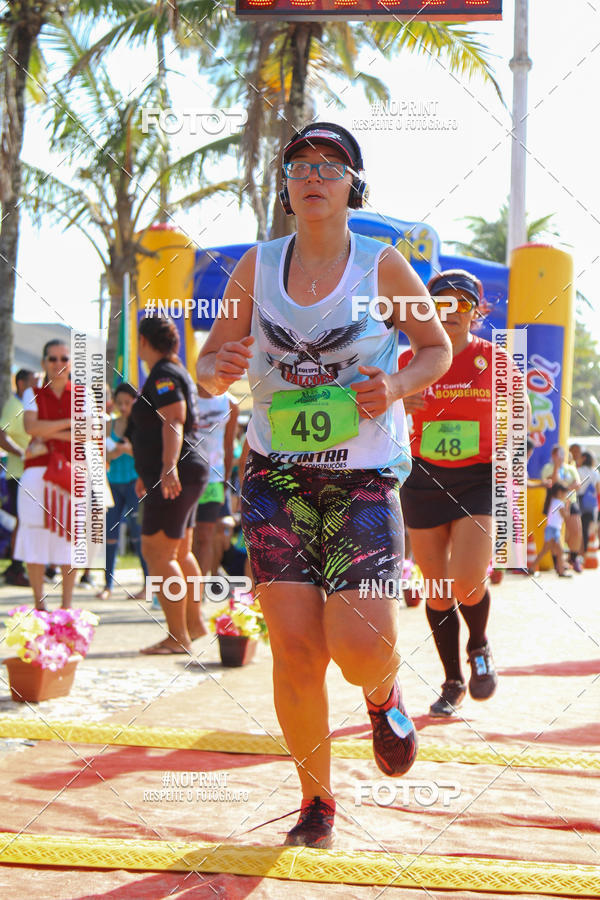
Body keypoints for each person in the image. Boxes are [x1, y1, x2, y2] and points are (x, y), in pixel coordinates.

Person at [197, 122, 452, 847]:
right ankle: (316, 801)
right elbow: (211, 361)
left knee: (359, 644)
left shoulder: (382, 266)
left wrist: (395, 384)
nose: (315, 176)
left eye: (331, 167)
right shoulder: (256, 265)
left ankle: (382, 694)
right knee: (298, 648)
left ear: (352, 187)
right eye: (301, 165)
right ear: (285, 185)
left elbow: (435, 347)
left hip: (363, 476)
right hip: (276, 475)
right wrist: (216, 368)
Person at [399, 269, 527, 718]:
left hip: (478, 479)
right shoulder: (406, 361)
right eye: (441, 303)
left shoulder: (494, 358)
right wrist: (398, 404)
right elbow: (374, 418)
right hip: (423, 477)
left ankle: (479, 644)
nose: (451, 312)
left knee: (468, 579)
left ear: (477, 312)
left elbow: (519, 415)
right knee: (436, 590)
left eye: (462, 304)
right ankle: (452, 680)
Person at [127, 315, 209, 653]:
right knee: (179, 552)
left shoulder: (163, 375)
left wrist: (166, 468)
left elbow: (174, 418)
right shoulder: (177, 371)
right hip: (187, 470)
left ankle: (178, 637)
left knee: (157, 553)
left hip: (177, 472)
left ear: (144, 342)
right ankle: (194, 624)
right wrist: (149, 473)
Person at [15, 341, 75, 610]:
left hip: (71, 474)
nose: (58, 363)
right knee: (34, 534)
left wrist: (46, 432)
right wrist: (68, 425)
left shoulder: (83, 394)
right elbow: (30, 426)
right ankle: (39, 604)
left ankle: (66, 607)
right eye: (52, 358)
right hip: (37, 473)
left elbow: (87, 433)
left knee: (71, 538)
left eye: (64, 357)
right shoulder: (32, 392)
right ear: (43, 362)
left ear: (71, 362)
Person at [98, 382, 148, 601]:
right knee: (109, 535)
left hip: (134, 484)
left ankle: (147, 585)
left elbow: (147, 457)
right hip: (112, 484)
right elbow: (102, 456)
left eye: (128, 403)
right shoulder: (109, 426)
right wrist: (116, 453)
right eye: (120, 403)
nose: (124, 407)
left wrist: (126, 449)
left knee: (138, 535)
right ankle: (107, 584)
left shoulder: (141, 426)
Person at [192, 390, 238, 596]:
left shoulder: (230, 403)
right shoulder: (188, 394)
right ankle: (182, 588)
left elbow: (229, 446)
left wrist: (225, 480)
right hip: (187, 478)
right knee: (187, 539)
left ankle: (198, 593)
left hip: (214, 480)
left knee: (205, 536)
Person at [0, 369, 36, 586]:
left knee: (27, 522)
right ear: (21, 384)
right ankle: (15, 568)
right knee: (24, 523)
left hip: (28, 474)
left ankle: (20, 566)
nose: (37, 386)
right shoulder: (14, 406)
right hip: (19, 475)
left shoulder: (28, 405)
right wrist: (22, 453)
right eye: (34, 382)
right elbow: (1, 433)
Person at [541, 445, 582, 572]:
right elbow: (552, 484)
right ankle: (558, 564)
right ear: (553, 455)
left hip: (570, 502)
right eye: (558, 454)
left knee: (575, 530)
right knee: (555, 535)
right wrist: (557, 469)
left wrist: (564, 487)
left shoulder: (570, 469)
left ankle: (573, 558)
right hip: (555, 504)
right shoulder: (548, 468)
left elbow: (577, 485)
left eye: (562, 454)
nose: (561, 457)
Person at [533, 483, 571, 576]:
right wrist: (568, 506)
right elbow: (566, 516)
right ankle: (561, 571)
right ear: (559, 492)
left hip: (550, 529)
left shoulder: (552, 501)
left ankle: (532, 567)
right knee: (559, 551)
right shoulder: (559, 503)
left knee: (547, 550)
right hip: (554, 530)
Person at [576, 451, 600, 552]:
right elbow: (598, 490)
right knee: (587, 529)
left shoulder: (578, 470)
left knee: (579, 528)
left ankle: (578, 552)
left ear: (584, 458)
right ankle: (585, 551)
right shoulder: (595, 472)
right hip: (591, 503)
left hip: (579, 501)